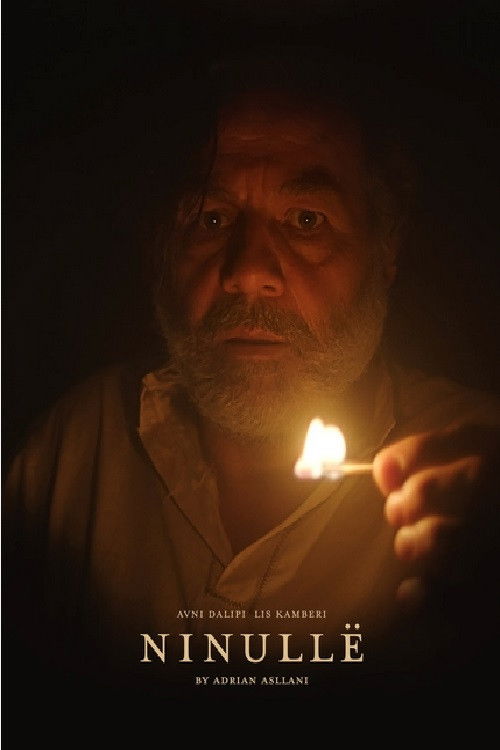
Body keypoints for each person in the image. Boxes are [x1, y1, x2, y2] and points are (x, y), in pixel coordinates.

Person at [4, 53, 500, 700]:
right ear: (162, 248)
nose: (248, 271)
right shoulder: (63, 460)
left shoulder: (482, 475)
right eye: (211, 219)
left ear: (385, 251)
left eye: (306, 221)